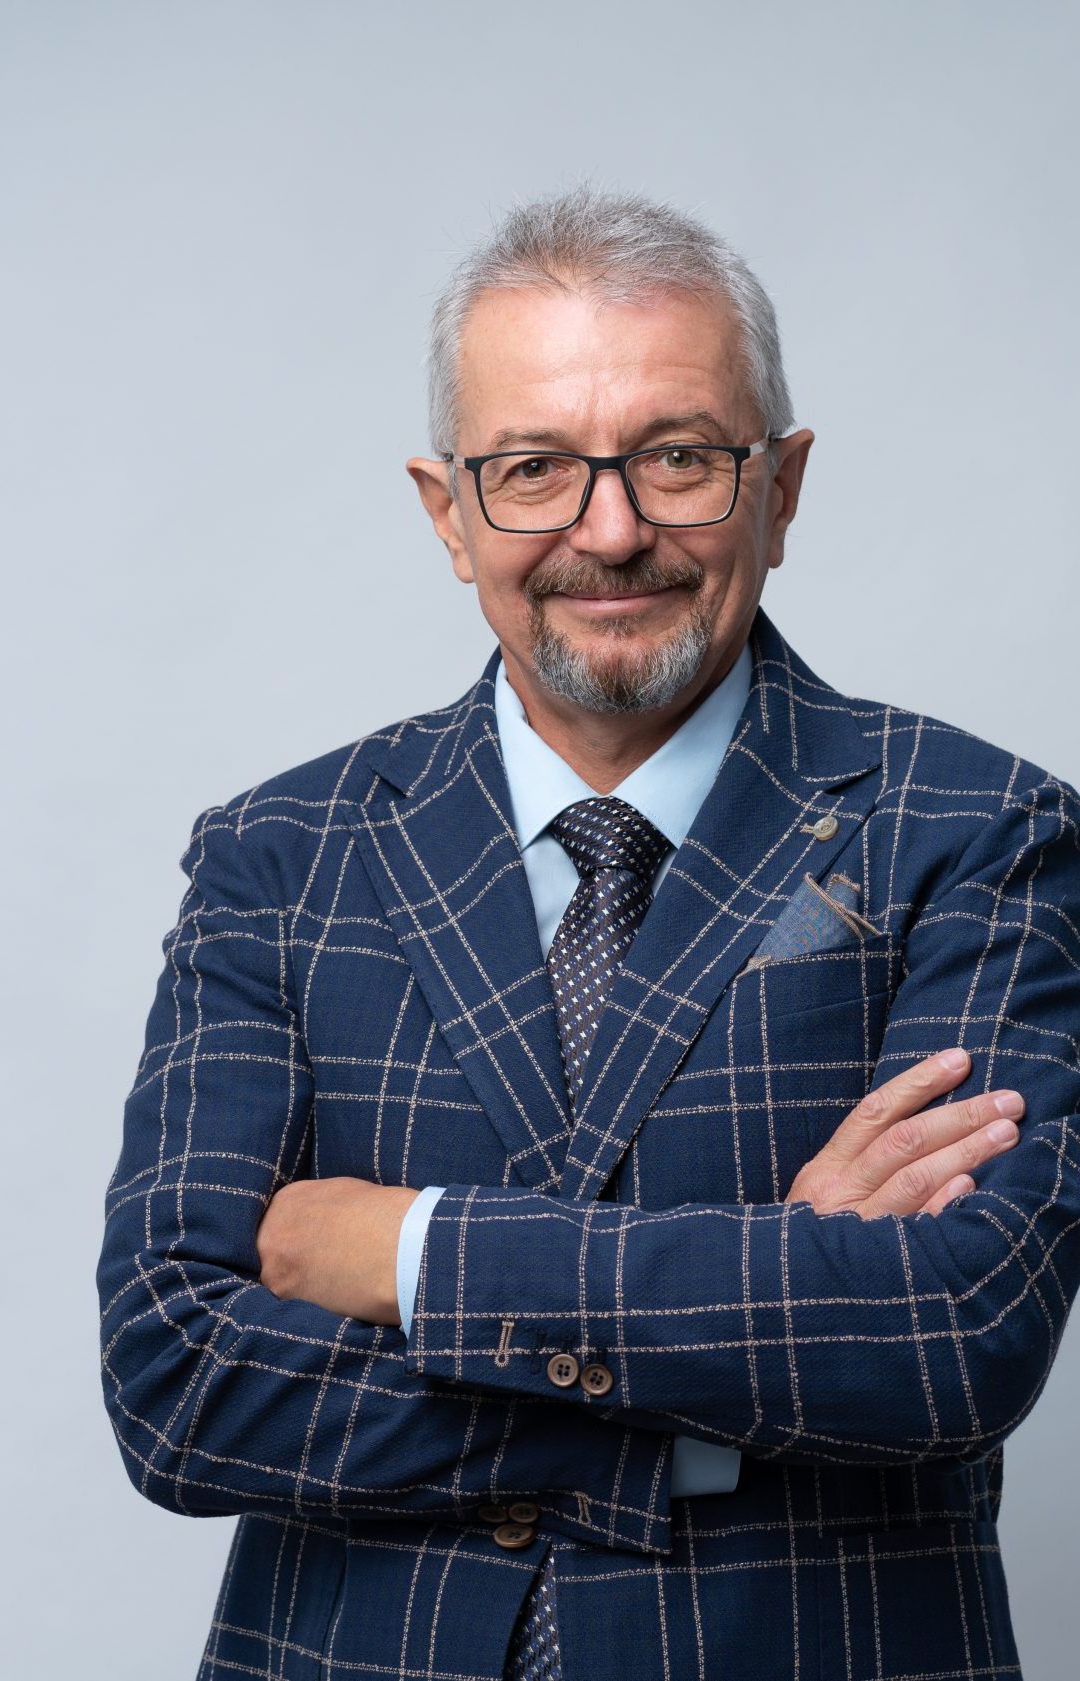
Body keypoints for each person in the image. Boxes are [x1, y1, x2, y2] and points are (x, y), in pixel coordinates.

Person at [95, 187, 1080, 1680]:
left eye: (678, 457)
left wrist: (416, 1252)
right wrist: (762, 1300)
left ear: (781, 488)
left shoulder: (978, 828)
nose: (609, 532)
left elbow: (948, 1336)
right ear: (448, 511)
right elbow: (175, 1381)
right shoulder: (280, 856)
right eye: (534, 469)